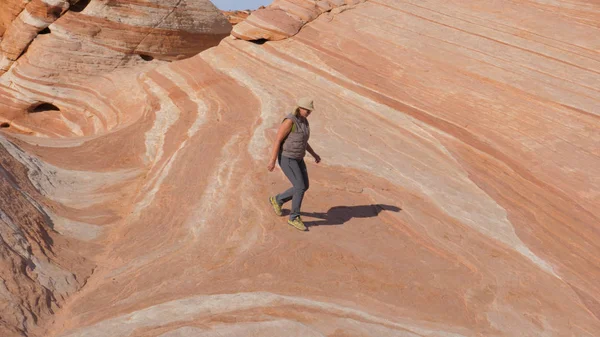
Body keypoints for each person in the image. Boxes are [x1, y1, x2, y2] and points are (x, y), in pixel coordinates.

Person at [267, 97, 321, 231]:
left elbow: (303, 141)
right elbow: (277, 140)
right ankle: (294, 217)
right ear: (299, 108)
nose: (308, 112)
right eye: (306, 110)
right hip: (288, 158)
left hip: (298, 158)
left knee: (304, 186)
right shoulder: (289, 121)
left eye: (310, 111)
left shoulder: (304, 121)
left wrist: (314, 154)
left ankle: (278, 200)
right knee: (299, 187)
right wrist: (272, 161)